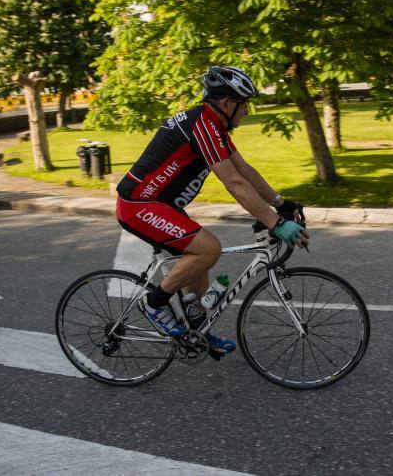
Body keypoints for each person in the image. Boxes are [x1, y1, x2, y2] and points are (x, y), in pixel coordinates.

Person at [116, 66, 308, 357]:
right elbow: (234, 183)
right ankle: (154, 304)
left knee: (199, 271)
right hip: (138, 204)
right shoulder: (202, 124)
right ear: (226, 103)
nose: (246, 111)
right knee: (208, 249)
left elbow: (245, 171)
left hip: (162, 206)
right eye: (244, 104)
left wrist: (280, 204)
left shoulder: (213, 128)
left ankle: (196, 333)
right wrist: (276, 223)